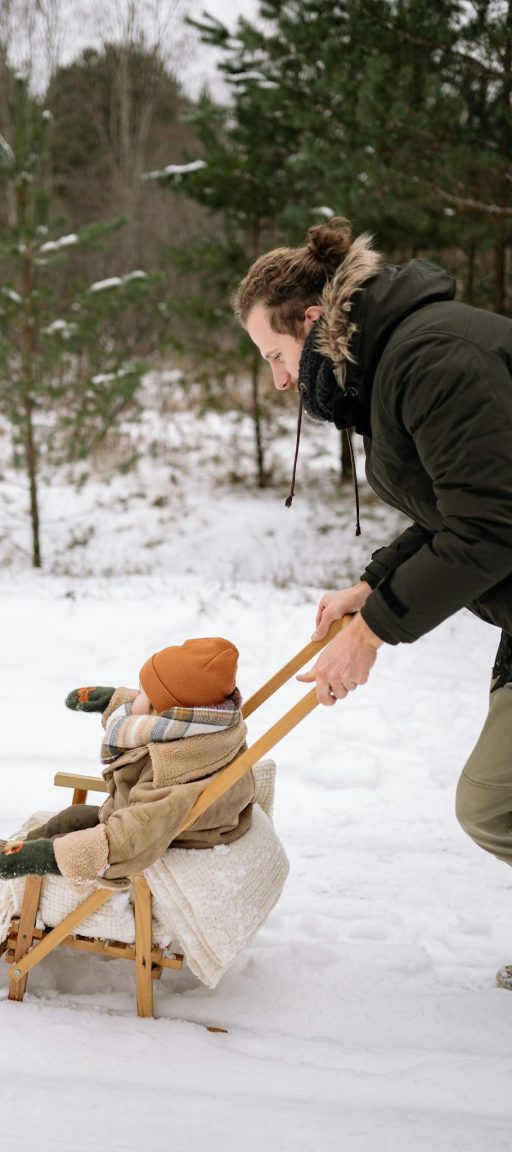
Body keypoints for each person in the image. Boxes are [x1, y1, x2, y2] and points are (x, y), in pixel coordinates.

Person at [233, 216, 512, 990]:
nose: (282, 380)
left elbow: (492, 525)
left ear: (315, 323)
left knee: (495, 802)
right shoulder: (396, 361)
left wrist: (374, 632)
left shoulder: (432, 356)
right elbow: (452, 510)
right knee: (496, 800)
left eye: (278, 356)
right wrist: (371, 584)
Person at [0, 636, 255, 909]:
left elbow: (132, 838)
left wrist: (45, 855)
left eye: (140, 694)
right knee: (72, 818)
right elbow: (161, 708)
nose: (133, 698)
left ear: (161, 712)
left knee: (68, 839)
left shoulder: (174, 771)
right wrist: (113, 700)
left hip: (165, 836)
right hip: (145, 815)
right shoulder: (206, 726)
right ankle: (0, 858)